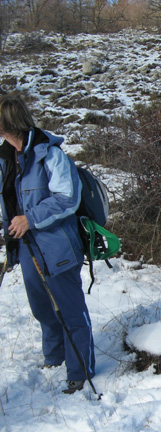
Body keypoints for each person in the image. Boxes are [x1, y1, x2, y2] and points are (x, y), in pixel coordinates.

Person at [0, 94, 95, 394]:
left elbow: (67, 198)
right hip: (26, 246)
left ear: (8, 122)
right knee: (42, 307)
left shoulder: (49, 155)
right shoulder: (6, 158)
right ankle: (54, 357)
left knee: (70, 309)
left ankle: (80, 370)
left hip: (57, 244)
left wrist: (29, 219)